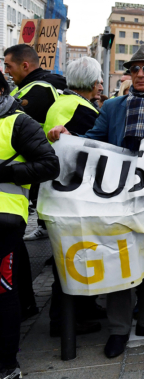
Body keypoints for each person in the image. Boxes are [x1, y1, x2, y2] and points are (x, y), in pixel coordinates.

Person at [48, 45, 144, 358]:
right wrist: (67, 136)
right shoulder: (114, 107)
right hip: (119, 197)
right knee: (121, 259)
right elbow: (93, 140)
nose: (140, 74)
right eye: (135, 69)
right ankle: (119, 329)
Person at [0, 73, 60, 379]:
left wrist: (6, 172)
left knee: (2, 291)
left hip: (3, 220)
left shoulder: (18, 122)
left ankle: (7, 364)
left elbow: (50, 165)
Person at [42, 57, 107, 337]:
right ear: (94, 84)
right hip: (73, 194)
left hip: (57, 190)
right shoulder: (82, 109)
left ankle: (84, 309)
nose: (102, 87)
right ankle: (65, 321)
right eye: (100, 82)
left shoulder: (61, 103)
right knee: (72, 258)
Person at [4, 45, 66, 321]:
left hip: (26, 187)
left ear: (25, 65)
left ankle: (23, 305)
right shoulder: (31, 90)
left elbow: (46, 161)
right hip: (26, 187)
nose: (7, 71)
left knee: (13, 261)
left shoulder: (36, 93)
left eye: (10, 66)